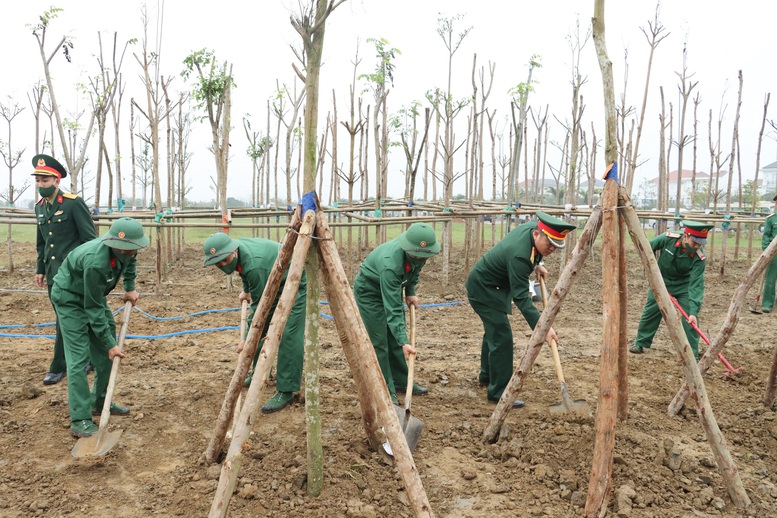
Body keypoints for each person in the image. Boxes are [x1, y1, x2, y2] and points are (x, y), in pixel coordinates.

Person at [50, 217, 148, 438]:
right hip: (69, 298)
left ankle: (100, 402)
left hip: (93, 295)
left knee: (105, 355)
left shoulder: (129, 248)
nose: (130, 253)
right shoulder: (96, 261)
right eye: (124, 250)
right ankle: (80, 419)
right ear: (113, 244)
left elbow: (130, 263)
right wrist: (110, 344)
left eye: (132, 249)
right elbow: (92, 308)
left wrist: (130, 288)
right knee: (79, 358)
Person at [466, 211, 574, 408]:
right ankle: (498, 393)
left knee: (494, 330)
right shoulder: (519, 256)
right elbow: (522, 299)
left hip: (495, 285)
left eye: (555, 246)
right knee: (502, 335)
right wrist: (543, 328)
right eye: (549, 244)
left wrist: (538, 263)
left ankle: (487, 376)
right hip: (483, 289)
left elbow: (534, 251)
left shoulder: (533, 230)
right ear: (536, 235)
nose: (552, 249)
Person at [203, 232, 306, 414]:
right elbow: (244, 271)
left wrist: (246, 339)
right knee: (260, 331)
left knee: (288, 334)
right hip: (268, 277)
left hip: (292, 279)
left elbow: (260, 311)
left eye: (225, 260)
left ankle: (286, 390)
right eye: (217, 263)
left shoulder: (254, 265)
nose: (223, 265)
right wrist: (247, 290)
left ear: (233, 251)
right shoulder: (239, 252)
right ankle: (260, 373)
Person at [354, 222, 439, 406]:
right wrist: (404, 341)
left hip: (390, 286)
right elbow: (393, 309)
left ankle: (401, 380)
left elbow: (413, 272)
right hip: (369, 291)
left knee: (394, 339)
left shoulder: (418, 255)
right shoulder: (390, 264)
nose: (422, 260)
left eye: (425, 257)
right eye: (418, 256)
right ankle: (385, 390)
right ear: (408, 249)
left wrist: (410, 291)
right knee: (380, 342)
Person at [32, 154, 97, 385]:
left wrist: (87, 271)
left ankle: (59, 366)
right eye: (38, 180)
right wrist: (40, 268)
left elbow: (90, 240)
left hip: (72, 274)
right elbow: (42, 241)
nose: (40, 185)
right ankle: (89, 358)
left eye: (45, 181)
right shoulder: (39, 207)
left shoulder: (72, 203)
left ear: (57, 181)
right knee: (73, 317)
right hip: (52, 274)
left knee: (64, 318)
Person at [629, 220, 714, 360]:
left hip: (684, 286)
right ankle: (641, 342)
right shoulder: (668, 238)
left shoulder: (700, 257)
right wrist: (651, 270)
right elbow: (646, 247)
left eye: (701, 243)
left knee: (691, 320)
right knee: (651, 311)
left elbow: (696, 284)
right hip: (660, 281)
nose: (698, 246)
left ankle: (693, 355)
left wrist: (693, 311)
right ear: (685, 236)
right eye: (695, 242)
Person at [761, 195, 777, 313]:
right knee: (770, 279)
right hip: (774, 254)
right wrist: (766, 251)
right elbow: (766, 235)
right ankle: (767, 303)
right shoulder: (771, 219)